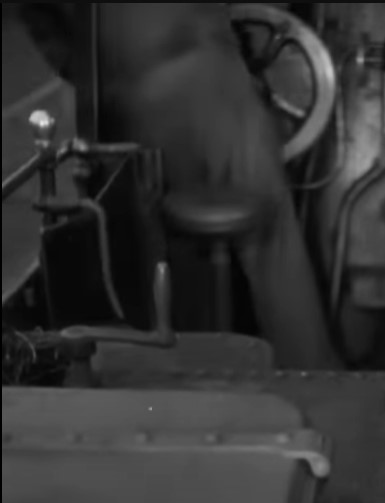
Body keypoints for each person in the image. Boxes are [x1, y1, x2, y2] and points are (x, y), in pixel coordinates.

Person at [18, 3, 341, 369]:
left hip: (213, 80)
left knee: (253, 234)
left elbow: (45, 28)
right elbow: (43, 25)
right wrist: (95, 85)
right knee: (190, 251)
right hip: (167, 93)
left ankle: (296, 368)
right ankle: (285, 370)